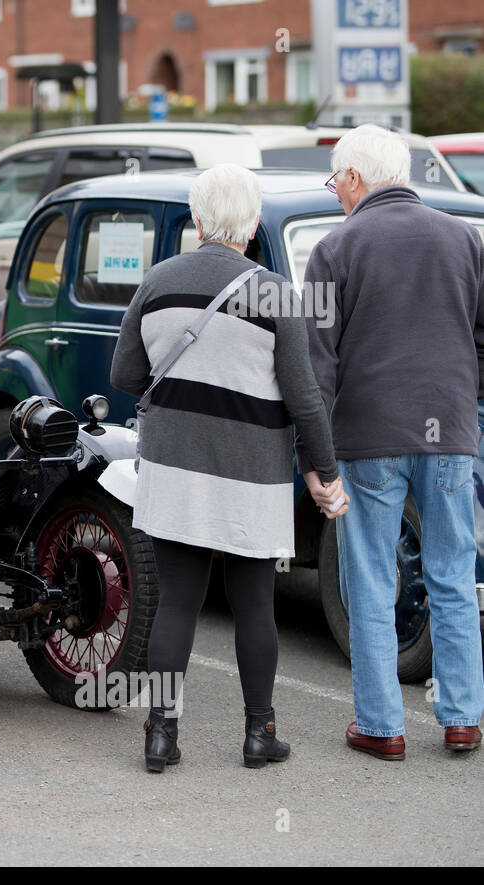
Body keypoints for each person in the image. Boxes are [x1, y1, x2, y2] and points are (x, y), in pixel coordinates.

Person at [111, 163, 346, 772]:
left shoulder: (157, 282)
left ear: (196, 219)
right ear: (251, 225)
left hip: (174, 469)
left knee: (177, 604)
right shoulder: (273, 292)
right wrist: (323, 470)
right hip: (251, 474)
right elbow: (305, 398)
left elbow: (124, 378)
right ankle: (258, 734)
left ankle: (160, 734)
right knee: (255, 606)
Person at [299, 124, 484, 758]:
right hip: (452, 435)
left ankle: (382, 729)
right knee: (454, 575)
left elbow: (315, 365)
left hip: (369, 437)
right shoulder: (465, 240)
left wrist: (316, 461)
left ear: (355, 178)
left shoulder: (335, 249)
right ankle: (462, 718)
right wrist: (458, 396)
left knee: (372, 580)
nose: (336, 194)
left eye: (336, 181)